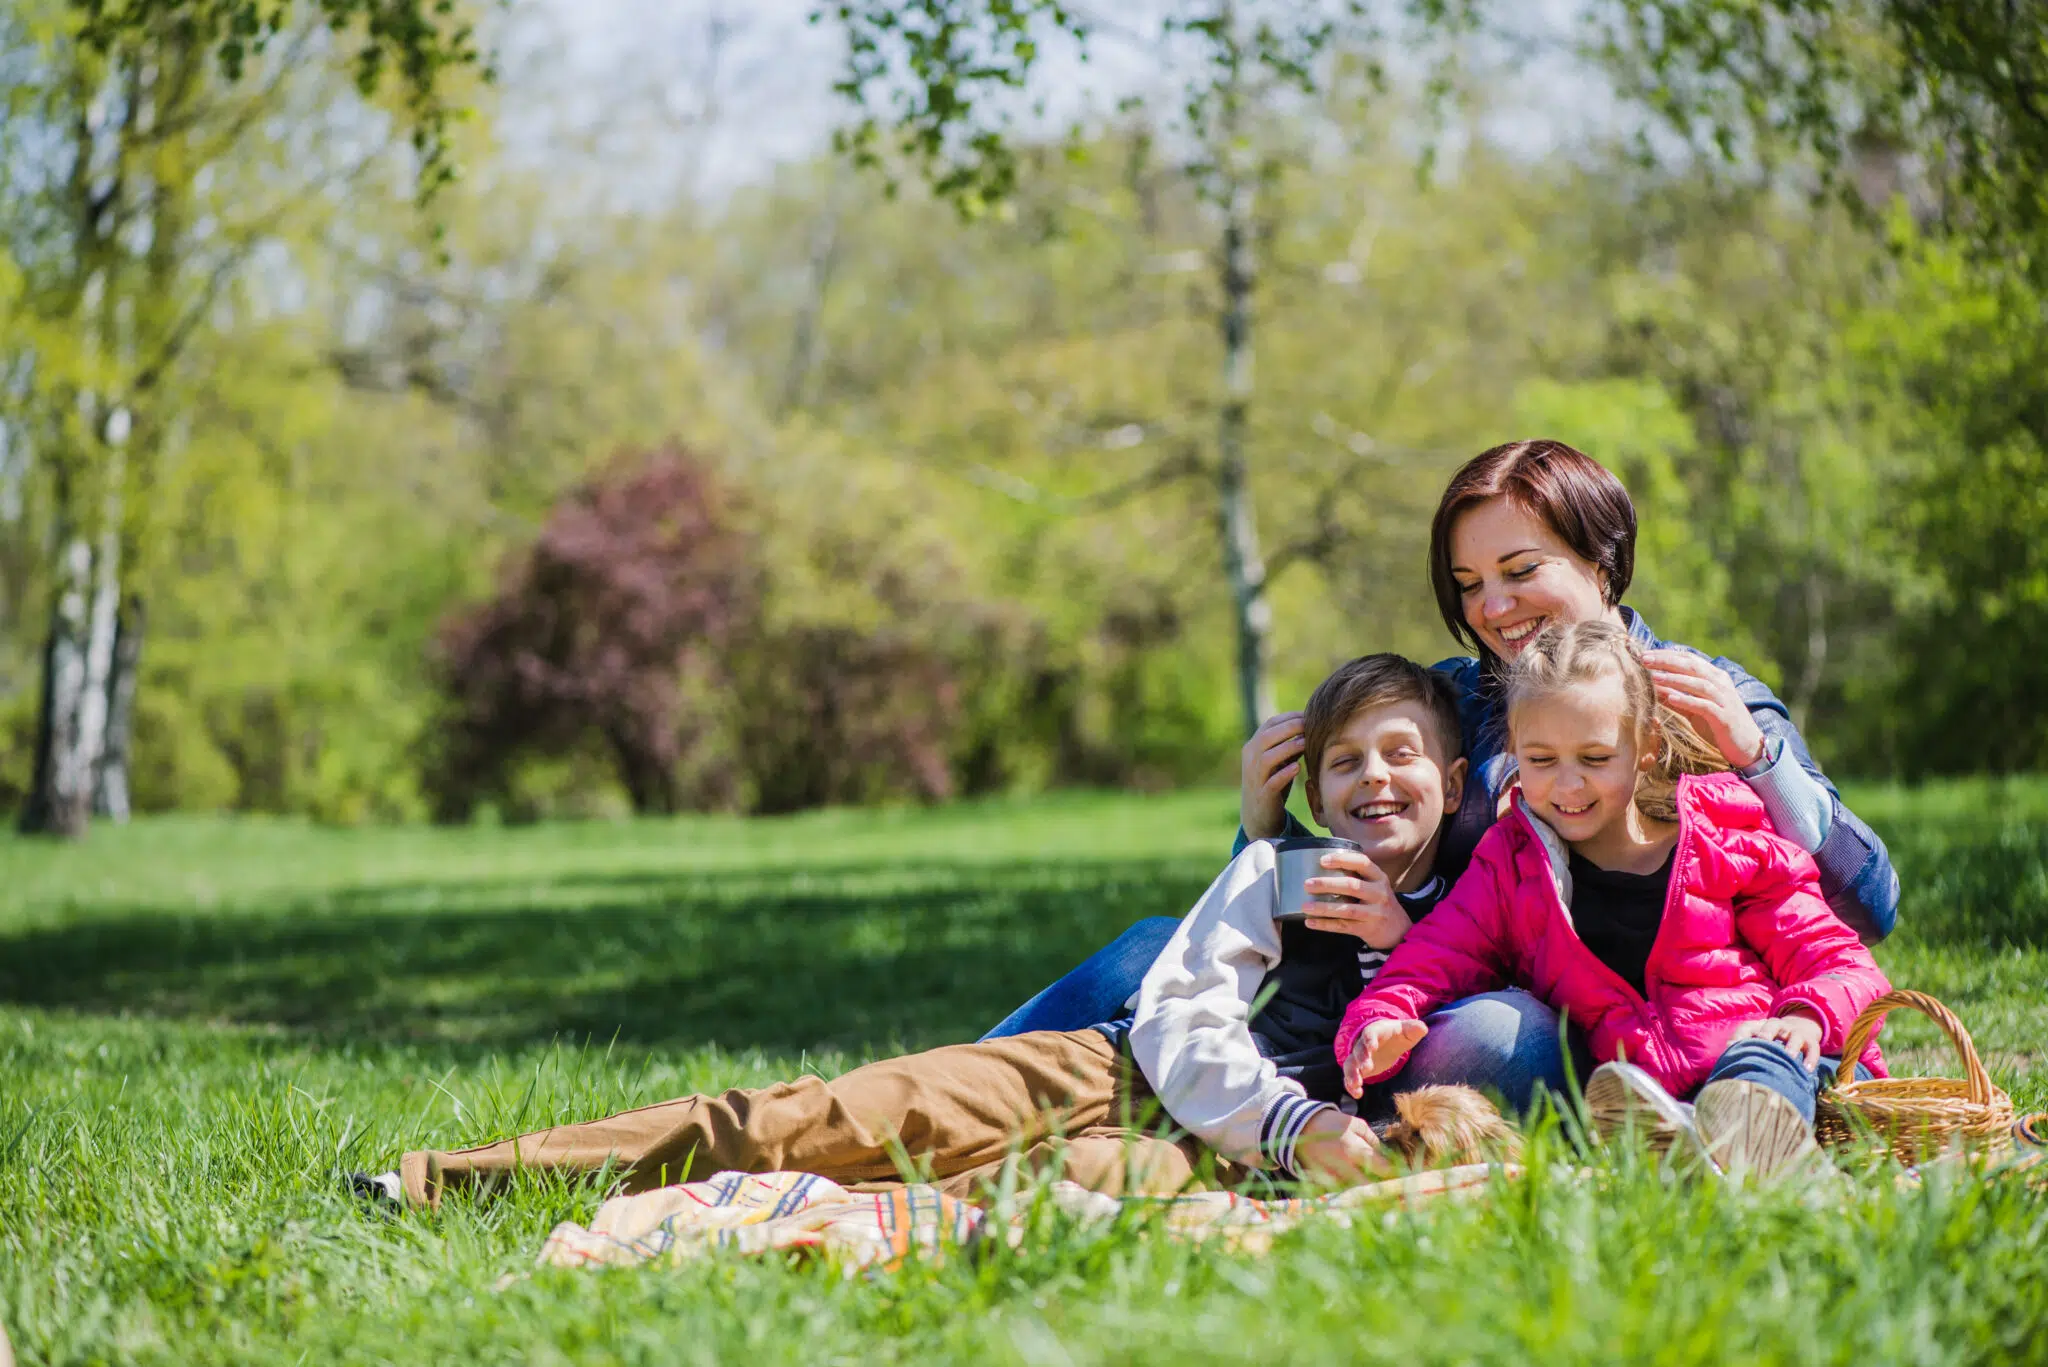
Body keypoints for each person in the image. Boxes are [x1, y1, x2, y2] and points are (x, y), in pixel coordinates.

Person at [361, 655, 1511, 1210]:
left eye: (1401, 754)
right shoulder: (1277, 869)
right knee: (826, 1116)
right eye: (1345, 760)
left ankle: (715, 1220)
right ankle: (453, 1179)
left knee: (1044, 1190)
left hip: (1227, 1155)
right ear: (1309, 782)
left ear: (1452, 777)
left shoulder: (1475, 904)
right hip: (1109, 1067)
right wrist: (1295, 1118)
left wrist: (1401, 951)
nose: (1374, 779)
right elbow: (1183, 1011)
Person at [992, 438, 1899, 1090]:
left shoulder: (1703, 694)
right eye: (1468, 585)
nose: (1494, 606)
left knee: (1509, 1034)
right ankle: (933, 1095)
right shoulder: (1455, 699)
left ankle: (1130, 1090)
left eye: (1520, 569)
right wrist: (1266, 829)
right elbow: (1336, 874)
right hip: (1407, 995)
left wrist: (1757, 755)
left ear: (1604, 561)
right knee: (1157, 946)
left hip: (1594, 1029)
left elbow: (1871, 907)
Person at [1338, 621, 1892, 1181]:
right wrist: (1380, 1017)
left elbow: (1841, 962)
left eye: (1595, 758)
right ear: (1513, 752)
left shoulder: (1727, 836)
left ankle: (1749, 1149)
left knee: (1755, 1062)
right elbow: (1434, 953)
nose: (1568, 786)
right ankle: (1695, 1156)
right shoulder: (1510, 865)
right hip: (1650, 1096)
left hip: (1792, 1069)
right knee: (1623, 1099)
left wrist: (1805, 1017)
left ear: (1646, 747)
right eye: (1542, 760)